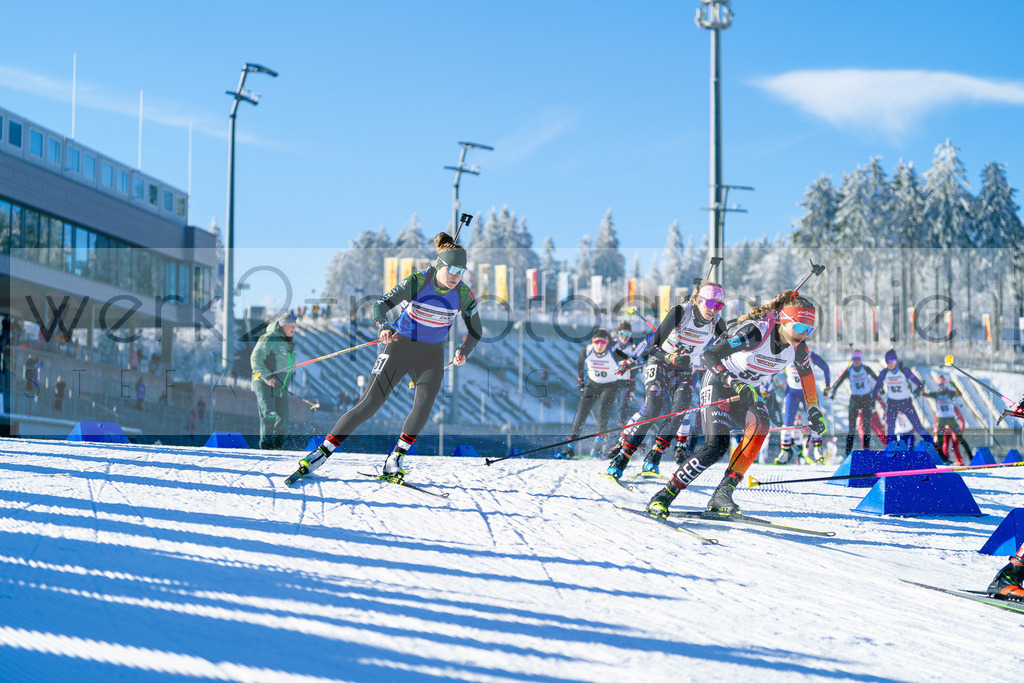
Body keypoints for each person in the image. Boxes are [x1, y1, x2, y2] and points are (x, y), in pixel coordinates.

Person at [290, 232, 482, 482]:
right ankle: (321, 453)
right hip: (400, 345)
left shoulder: (463, 294)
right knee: (369, 404)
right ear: (439, 265)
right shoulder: (419, 281)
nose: (456, 275)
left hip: (432, 353)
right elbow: (379, 305)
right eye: (452, 269)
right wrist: (383, 326)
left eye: (461, 270)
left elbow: (476, 330)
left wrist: (464, 351)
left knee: (424, 404)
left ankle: (395, 458)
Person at [646, 291, 827, 517]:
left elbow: (807, 377)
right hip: (720, 384)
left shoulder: (799, 348)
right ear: (784, 319)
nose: (803, 335)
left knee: (762, 425)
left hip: (748, 391)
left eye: (808, 330)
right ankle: (664, 496)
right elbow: (709, 356)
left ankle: (723, 493)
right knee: (716, 447)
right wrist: (732, 382)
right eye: (800, 328)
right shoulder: (755, 332)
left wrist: (813, 410)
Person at [605, 282, 728, 478]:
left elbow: (730, 345)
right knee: (653, 408)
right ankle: (622, 458)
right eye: (710, 304)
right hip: (660, 361)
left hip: (683, 368)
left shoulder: (717, 322)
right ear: (699, 301)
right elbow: (653, 346)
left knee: (680, 411)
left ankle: (653, 457)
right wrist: (670, 357)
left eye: (719, 306)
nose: (714, 310)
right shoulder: (680, 312)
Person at [556, 329, 629, 459]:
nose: (599, 345)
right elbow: (579, 365)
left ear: (607, 343)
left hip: (610, 385)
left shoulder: (614, 352)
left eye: (602, 342)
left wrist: (627, 370)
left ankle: (598, 448)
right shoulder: (586, 350)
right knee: (582, 412)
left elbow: (631, 359)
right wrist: (580, 381)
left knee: (602, 411)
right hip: (593, 384)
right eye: (597, 342)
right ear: (593, 342)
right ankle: (570, 447)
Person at [250, 314, 298, 449]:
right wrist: (266, 377)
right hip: (265, 383)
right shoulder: (269, 338)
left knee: (283, 418)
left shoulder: (289, 341)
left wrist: (290, 376)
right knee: (269, 415)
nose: (293, 329)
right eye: (291, 326)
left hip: (280, 385)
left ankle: (277, 446)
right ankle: (266, 446)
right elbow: (255, 359)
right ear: (283, 326)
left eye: (295, 327)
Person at [776, 349, 831, 464]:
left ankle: (817, 449)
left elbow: (825, 367)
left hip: (808, 393)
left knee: (815, 420)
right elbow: (773, 370)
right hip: (792, 392)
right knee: (787, 422)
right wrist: (765, 386)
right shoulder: (787, 354)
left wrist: (827, 386)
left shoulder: (810, 355)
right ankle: (784, 451)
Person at [872, 349, 933, 447]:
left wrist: (918, 390)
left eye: (892, 361)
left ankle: (933, 445)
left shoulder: (904, 370)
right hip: (892, 403)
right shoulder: (884, 372)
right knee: (891, 428)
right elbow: (876, 387)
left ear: (896, 360)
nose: (890, 364)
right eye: (888, 362)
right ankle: (890, 450)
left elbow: (919, 384)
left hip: (906, 402)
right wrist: (872, 400)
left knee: (918, 427)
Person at [827, 349, 879, 457]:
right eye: (854, 359)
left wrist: (880, 388)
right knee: (851, 427)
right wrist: (833, 391)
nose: (856, 361)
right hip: (855, 399)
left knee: (867, 425)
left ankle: (866, 449)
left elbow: (877, 379)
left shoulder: (866, 368)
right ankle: (848, 451)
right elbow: (839, 381)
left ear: (861, 359)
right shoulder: (849, 370)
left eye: (858, 359)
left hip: (866, 398)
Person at [923, 375, 972, 464]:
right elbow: (924, 394)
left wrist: (955, 386)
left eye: (943, 384)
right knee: (940, 442)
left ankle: (970, 457)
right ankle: (944, 460)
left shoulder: (950, 393)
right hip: (941, 420)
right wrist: (922, 386)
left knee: (960, 439)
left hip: (950, 419)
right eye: (940, 385)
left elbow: (960, 394)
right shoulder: (936, 394)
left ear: (945, 385)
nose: (941, 386)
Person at [611, 320, 640, 424]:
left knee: (623, 405)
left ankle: (622, 426)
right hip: (611, 380)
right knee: (606, 403)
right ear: (618, 334)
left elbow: (634, 367)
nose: (624, 337)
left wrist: (632, 382)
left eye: (627, 334)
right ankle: (601, 431)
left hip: (624, 381)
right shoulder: (612, 344)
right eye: (622, 334)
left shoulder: (634, 347)